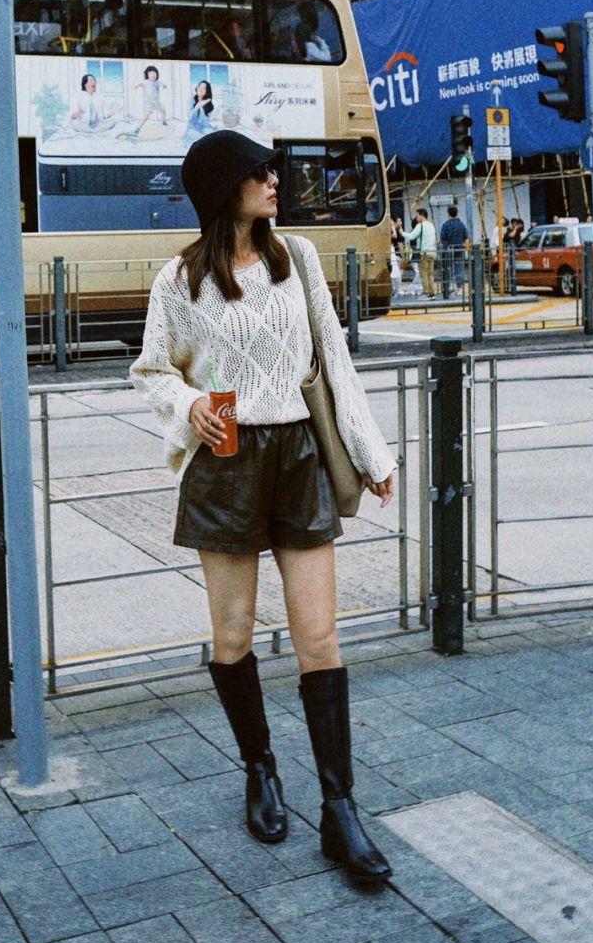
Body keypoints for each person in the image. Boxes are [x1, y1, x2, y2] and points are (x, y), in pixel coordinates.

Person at [130, 130, 396, 883]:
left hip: (299, 457)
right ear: (225, 189)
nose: (276, 181)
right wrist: (188, 405)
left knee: (320, 637)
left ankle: (340, 810)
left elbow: (335, 359)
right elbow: (152, 370)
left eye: (272, 170)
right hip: (225, 465)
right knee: (233, 634)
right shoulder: (179, 280)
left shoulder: (297, 260)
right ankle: (260, 768)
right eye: (260, 172)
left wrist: (372, 453)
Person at [405, 206, 437, 297]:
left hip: (424, 253)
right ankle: (432, 292)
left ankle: (426, 293)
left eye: (417, 216)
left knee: (424, 274)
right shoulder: (431, 225)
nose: (416, 218)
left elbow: (411, 236)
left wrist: (401, 232)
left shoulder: (420, 225)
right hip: (432, 252)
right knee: (430, 274)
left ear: (422, 215)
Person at [440, 205, 468, 298]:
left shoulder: (446, 225)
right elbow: (466, 236)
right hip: (459, 249)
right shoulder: (461, 224)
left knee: (448, 268)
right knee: (459, 269)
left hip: (449, 249)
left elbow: (443, 237)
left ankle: (450, 287)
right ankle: (459, 288)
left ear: (448, 213)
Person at [134, 64, 168, 136]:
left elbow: (162, 84)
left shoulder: (157, 82)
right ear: (147, 75)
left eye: (154, 74)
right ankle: (138, 128)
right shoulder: (145, 82)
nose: (153, 75)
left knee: (163, 111)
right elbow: (140, 84)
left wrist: (164, 86)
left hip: (156, 101)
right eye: (151, 74)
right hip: (149, 102)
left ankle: (164, 122)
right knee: (147, 116)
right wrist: (136, 86)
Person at [184, 79, 214, 144]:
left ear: (207, 91)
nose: (200, 90)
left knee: (210, 133)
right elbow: (190, 118)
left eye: (203, 89)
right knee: (193, 134)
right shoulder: (191, 100)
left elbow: (206, 123)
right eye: (199, 87)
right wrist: (197, 106)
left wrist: (202, 107)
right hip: (193, 127)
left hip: (203, 127)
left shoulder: (208, 104)